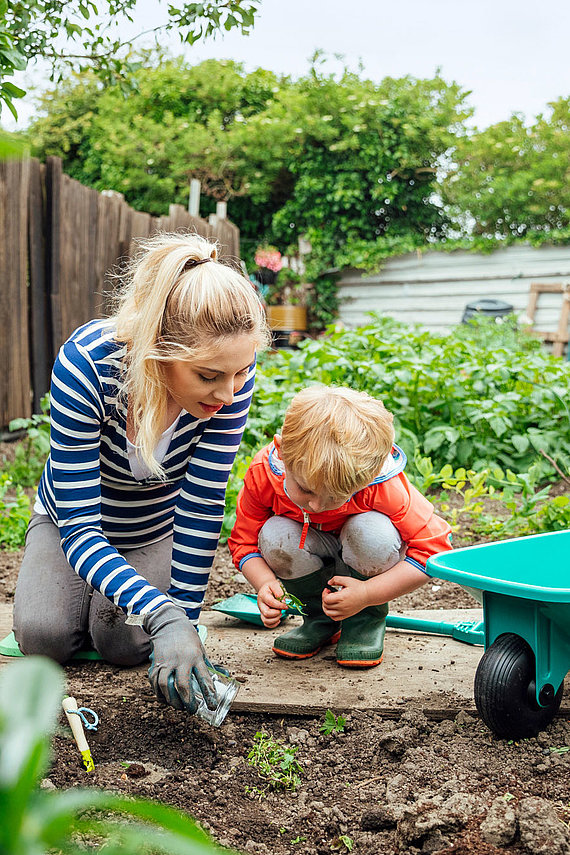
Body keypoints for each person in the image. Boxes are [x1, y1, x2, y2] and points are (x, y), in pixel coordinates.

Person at [13, 232, 269, 713]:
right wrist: (161, 612)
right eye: (209, 377)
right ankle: (84, 596)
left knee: (125, 644)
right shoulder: (86, 366)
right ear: (158, 350)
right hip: (72, 523)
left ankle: (113, 605)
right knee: (42, 637)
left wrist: (185, 624)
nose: (230, 394)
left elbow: (199, 508)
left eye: (241, 372)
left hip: (152, 527)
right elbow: (82, 528)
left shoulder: (229, 378)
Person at [228, 385, 453, 667]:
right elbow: (244, 543)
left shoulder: (382, 484)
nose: (317, 506)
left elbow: (433, 551)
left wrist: (366, 595)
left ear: (371, 473)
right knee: (275, 534)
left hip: (362, 558)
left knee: (372, 532)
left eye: (336, 496)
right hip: (310, 551)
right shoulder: (265, 474)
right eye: (306, 490)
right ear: (282, 451)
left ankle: (364, 622)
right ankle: (319, 620)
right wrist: (266, 584)